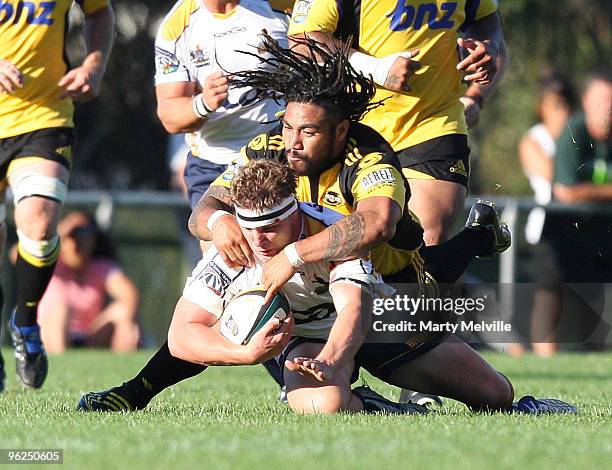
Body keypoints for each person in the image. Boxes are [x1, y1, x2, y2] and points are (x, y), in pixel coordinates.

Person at [77, 36, 513, 412]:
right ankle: (134, 393)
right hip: (312, 296)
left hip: (387, 283)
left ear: (342, 131)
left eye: (309, 132)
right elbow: (204, 211)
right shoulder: (267, 146)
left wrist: (292, 254)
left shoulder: (371, 156)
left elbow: (377, 224)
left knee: (493, 394)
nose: (293, 143)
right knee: (244, 321)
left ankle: (478, 235)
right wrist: (220, 222)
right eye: (287, 127)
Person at [80, 160, 575, 415]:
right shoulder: (232, 246)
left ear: (296, 211)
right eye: (248, 227)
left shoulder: (331, 234)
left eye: (271, 227)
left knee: (494, 394)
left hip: (375, 323)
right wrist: (248, 354)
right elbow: (183, 334)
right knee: (328, 407)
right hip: (302, 340)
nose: (259, 241)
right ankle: (375, 408)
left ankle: (477, 236)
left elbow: (355, 312)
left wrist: (333, 361)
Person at [287, 0, 508, 246]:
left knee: (424, 240)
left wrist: (489, 47)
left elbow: (486, 20)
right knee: (355, 244)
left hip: (433, 123)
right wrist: (376, 69)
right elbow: (301, 41)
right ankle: (478, 238)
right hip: (355, 129)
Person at [0, 0, 115, 391]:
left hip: (43, 117)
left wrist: (93, 66)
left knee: (40, 216)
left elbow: (99, 12)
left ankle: (27, 319)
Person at [154, 0, 289, 210]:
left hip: (279, 153)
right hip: (214, 163)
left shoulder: (282, 6)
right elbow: (170, 115)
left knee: (273, 239)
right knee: (218, 239)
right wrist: (203, 103)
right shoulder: (176, 27)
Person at [518, 74, 575, 357]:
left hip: (580, 226)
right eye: (556, 105)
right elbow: (559, 177)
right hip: (546, 226)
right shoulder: (534, 139)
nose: (562, 113)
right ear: (542, 106)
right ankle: (545, 354)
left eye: (566, 105)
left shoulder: (578, 136)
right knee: (548, 293)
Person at [36, 211, 140, 353]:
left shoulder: (101, 267)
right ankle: (60, 361)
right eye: (73, 235)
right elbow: (18, 255)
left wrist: (127, 324)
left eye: (84, 234)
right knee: (61, 309)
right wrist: (57, 231)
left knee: (123, 313)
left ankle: (125, 365)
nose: (78, 241)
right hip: (49, 337)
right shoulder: (50, 263)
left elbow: (129, 294)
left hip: (89, 338)